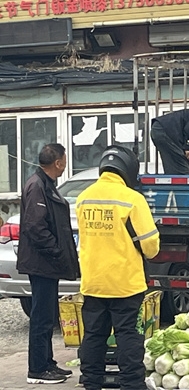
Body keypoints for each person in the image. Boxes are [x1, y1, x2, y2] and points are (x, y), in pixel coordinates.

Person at [76, 145, 160, 390]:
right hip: (125, 284)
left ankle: (91, 383)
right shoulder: (132, 199)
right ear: (128, 170)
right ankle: (132, 385)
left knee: (93, 335)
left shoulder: (83, 198)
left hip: (93, 282)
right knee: (128, 337)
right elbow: (151, 245)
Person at [16, 143, 80, 384]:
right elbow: (35, 226)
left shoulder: (46, 184)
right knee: (41, 317)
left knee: (47, 315)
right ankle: (38, 369)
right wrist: (56, 250)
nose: (65, 164)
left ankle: (48, 362)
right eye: (64, 160)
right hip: (41, 263)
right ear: (59, 163)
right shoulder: (37, 186)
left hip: (47, 263)